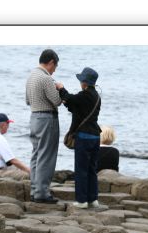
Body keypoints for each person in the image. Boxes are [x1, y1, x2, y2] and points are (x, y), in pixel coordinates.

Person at [59, 67, 102, 209]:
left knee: (81, 169)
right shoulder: (96, 97)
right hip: (96, 136)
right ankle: (93, 199)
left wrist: (61, 89)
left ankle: (82, 200)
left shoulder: (83, 95)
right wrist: (67, 101)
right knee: (92, 169)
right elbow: (77, 108)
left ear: (84, 82)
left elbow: (71, 99)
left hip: (84, 137)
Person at [24, 49, 63, 203]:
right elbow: (57, 101)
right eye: (55, 67)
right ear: (51, 62)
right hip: (47, 118)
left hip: (34, 117)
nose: (54, 70)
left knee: (36, 154)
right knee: (47, 156)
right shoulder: (46, 78)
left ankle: (35, 190)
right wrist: (59, 88)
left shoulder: (31, 76)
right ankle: (42, 193)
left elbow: (27, 101)